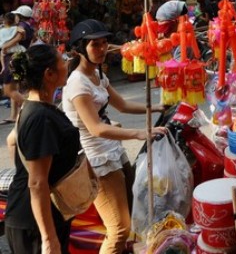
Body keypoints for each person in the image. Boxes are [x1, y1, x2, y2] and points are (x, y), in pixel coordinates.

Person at [62, 19, 167, 254]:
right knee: (119, 228)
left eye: (104, 43)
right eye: (94, 45)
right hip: (97, 160)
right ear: (79, 49)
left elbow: (122, 104)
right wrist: (139, 133)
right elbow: (96, 128)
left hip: (113, 152)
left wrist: (158, 108)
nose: (102, 49)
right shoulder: (78, 83)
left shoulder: (97, 75)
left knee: (133, 210)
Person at [4, 44, 79, 254]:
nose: (67, 64)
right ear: (49, 74)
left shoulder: (35, 107)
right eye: (62, 61)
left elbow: (12, 141)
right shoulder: (40, 117)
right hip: (35, 224)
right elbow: (37, 183)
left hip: (45, 215)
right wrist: (48, 238)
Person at [0, 12, 27, 123]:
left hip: (11, 58)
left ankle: (30, 106)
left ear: (5, 21)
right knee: (14, 88)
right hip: (18, 56)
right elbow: (22, 34)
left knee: (8, 90)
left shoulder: (3, 31)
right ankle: (16, 114)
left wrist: (6, 46)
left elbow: (3, 48)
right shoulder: (18, 28)